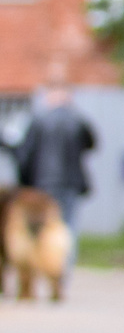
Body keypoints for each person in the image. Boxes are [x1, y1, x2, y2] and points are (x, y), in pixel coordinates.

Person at [15, 82, 97, 265]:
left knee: (42, 226)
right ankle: (63, 269)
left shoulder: (38, 119)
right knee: (68, 227)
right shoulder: (78, 120)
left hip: (42, 183)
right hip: (71, 183)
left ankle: (42, 266)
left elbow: (25, 155)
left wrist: (24, 183)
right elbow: (92, 144)